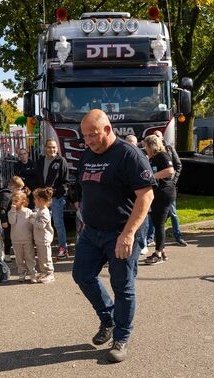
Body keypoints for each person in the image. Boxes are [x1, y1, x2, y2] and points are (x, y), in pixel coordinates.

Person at [72, 109, 155, 363]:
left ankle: (121, 337)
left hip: (122, 231)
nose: (89, 140)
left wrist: (128, 235)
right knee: (82, 275)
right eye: (85, 136)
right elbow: (85, 189)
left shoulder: (129, 154)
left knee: (123, 286)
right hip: (93, 231)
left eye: (93, 135)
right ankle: (107, 318)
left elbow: (146, 196)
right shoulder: (87, 154)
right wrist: (84, 217)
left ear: (108, 129)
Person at [142, 135, 175, 264]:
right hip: (158, 193)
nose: (145, 148)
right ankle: (162, 250)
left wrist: (152, 177)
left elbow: (170, 171)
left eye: (146, 146)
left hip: (164, 193)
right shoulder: (152, 158)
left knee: (159, 223)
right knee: (157, 222)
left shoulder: (163, 155)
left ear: (152, 145)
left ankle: (158, 254)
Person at [35, 139, 69, 259]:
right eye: (49, 147)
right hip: (42, 200)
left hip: (56, 199)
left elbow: (65, 183)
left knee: (58, 224)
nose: (52, 149)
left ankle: (63, 249)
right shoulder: (40, 161)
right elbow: (36, 179)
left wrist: (54, 193)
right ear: (45, 148)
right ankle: (44, 249)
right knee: (42, 224)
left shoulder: (61, 161)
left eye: (54, 147)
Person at [153, 130, 187, 247]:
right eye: (154, 136)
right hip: (156, 188)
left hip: (168, 187)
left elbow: (178, 165)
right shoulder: (152, 152)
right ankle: (152, 238)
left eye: (158, 136)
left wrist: (173, 180)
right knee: (155, 216)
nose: (156, 138)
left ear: (162, 137)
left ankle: (178, 236)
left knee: (173, 213)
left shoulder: (168, 149)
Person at [8, 191, 37, 282]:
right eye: (13, 201)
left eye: (16, 201)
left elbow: (34, 221)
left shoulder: (28, 211)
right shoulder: (11, 212)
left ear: (23, 201)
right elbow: (12, 221)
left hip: (27, 239)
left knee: (30, 257)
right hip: (16, 240)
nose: (14, 203)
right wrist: (13, 210)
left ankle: (33, 273)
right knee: (19, 258)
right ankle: (21, 273)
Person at [29, 187, 55, 283]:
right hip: (40, 239)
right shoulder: (40, 210)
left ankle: (50, 273)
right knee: (41, 257)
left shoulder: (44, 212)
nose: (34, 201)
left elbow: (41, 225)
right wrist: (34, 215)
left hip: (44, 239)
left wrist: (32, 220)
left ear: (41, 200)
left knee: (46, 257)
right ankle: (44, 272)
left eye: (35, 199)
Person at [0, 176, 26, 262]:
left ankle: (16, 254)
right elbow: (2, 209)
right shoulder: (5, 194)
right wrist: (4, 221)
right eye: (18, 189)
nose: (19, 191)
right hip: (8, 220)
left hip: (15, 218)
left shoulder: (12, 193)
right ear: (12, 186)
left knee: (16, 237)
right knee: (7, 237)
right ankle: (7, 254)